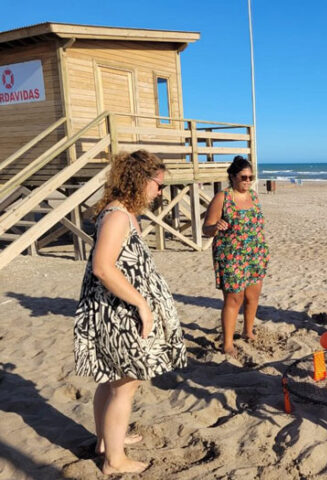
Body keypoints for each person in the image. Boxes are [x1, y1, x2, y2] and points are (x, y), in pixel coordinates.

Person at [74, 150, 187, 475]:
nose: (160, 192)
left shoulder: (121, 212)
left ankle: (106, 440)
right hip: (118, 313)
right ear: (140, 180)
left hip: (116, 309)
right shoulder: (117, 216)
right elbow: (102, 267)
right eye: (158, 185)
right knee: (126, 383)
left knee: (112, 378)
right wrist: (141, 304)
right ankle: (114, 460)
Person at [203, 156, 269, 355]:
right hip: (231, 256)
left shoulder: (254, 196)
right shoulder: (223, 198)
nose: (248, 181)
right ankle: (228, 344)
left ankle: (248, 331)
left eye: (251, 177)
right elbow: (206, 228)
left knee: (252, 296)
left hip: (255, 254)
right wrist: (216, 227)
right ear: (232, 177)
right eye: (243, 177)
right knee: (234, 298)